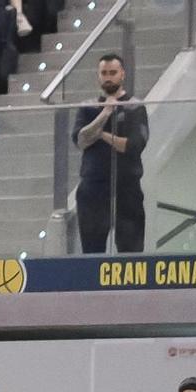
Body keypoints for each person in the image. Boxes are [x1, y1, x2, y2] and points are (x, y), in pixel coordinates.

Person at [74, 53, 147, 254]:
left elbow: (132, 145)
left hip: (126, 185)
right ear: (98, 76)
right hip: (94, 186)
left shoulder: (134, 106)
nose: (108, 77)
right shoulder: (88, 107)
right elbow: (80, 140)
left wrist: (101, 134)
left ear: (122, 74)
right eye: (104, 73)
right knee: (92, 250)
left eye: (113, 73)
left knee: (130, 250)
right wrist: (105, 114)